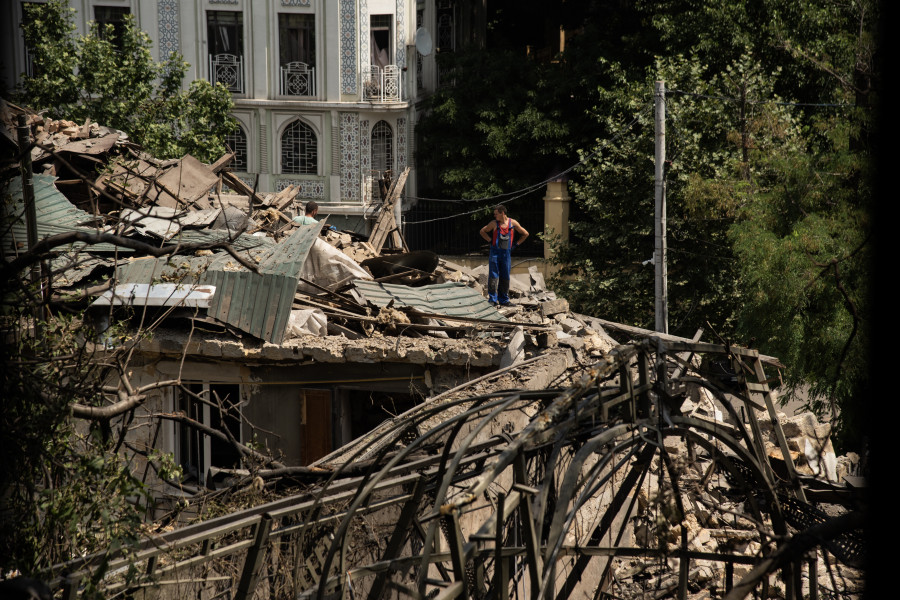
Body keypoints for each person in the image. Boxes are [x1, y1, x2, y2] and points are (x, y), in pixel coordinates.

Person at [480, 204, 529, 306]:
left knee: (505, 276)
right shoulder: (494, 224)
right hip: (495, 254)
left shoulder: (513, 223)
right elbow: (482, 231)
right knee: (493, 276)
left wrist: (516, 244)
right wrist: (490, 241)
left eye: (496, 214)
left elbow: (525, 233)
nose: (494, 216)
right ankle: (492, 300)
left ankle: (503, 300)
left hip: (506, 255)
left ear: (502, 213)